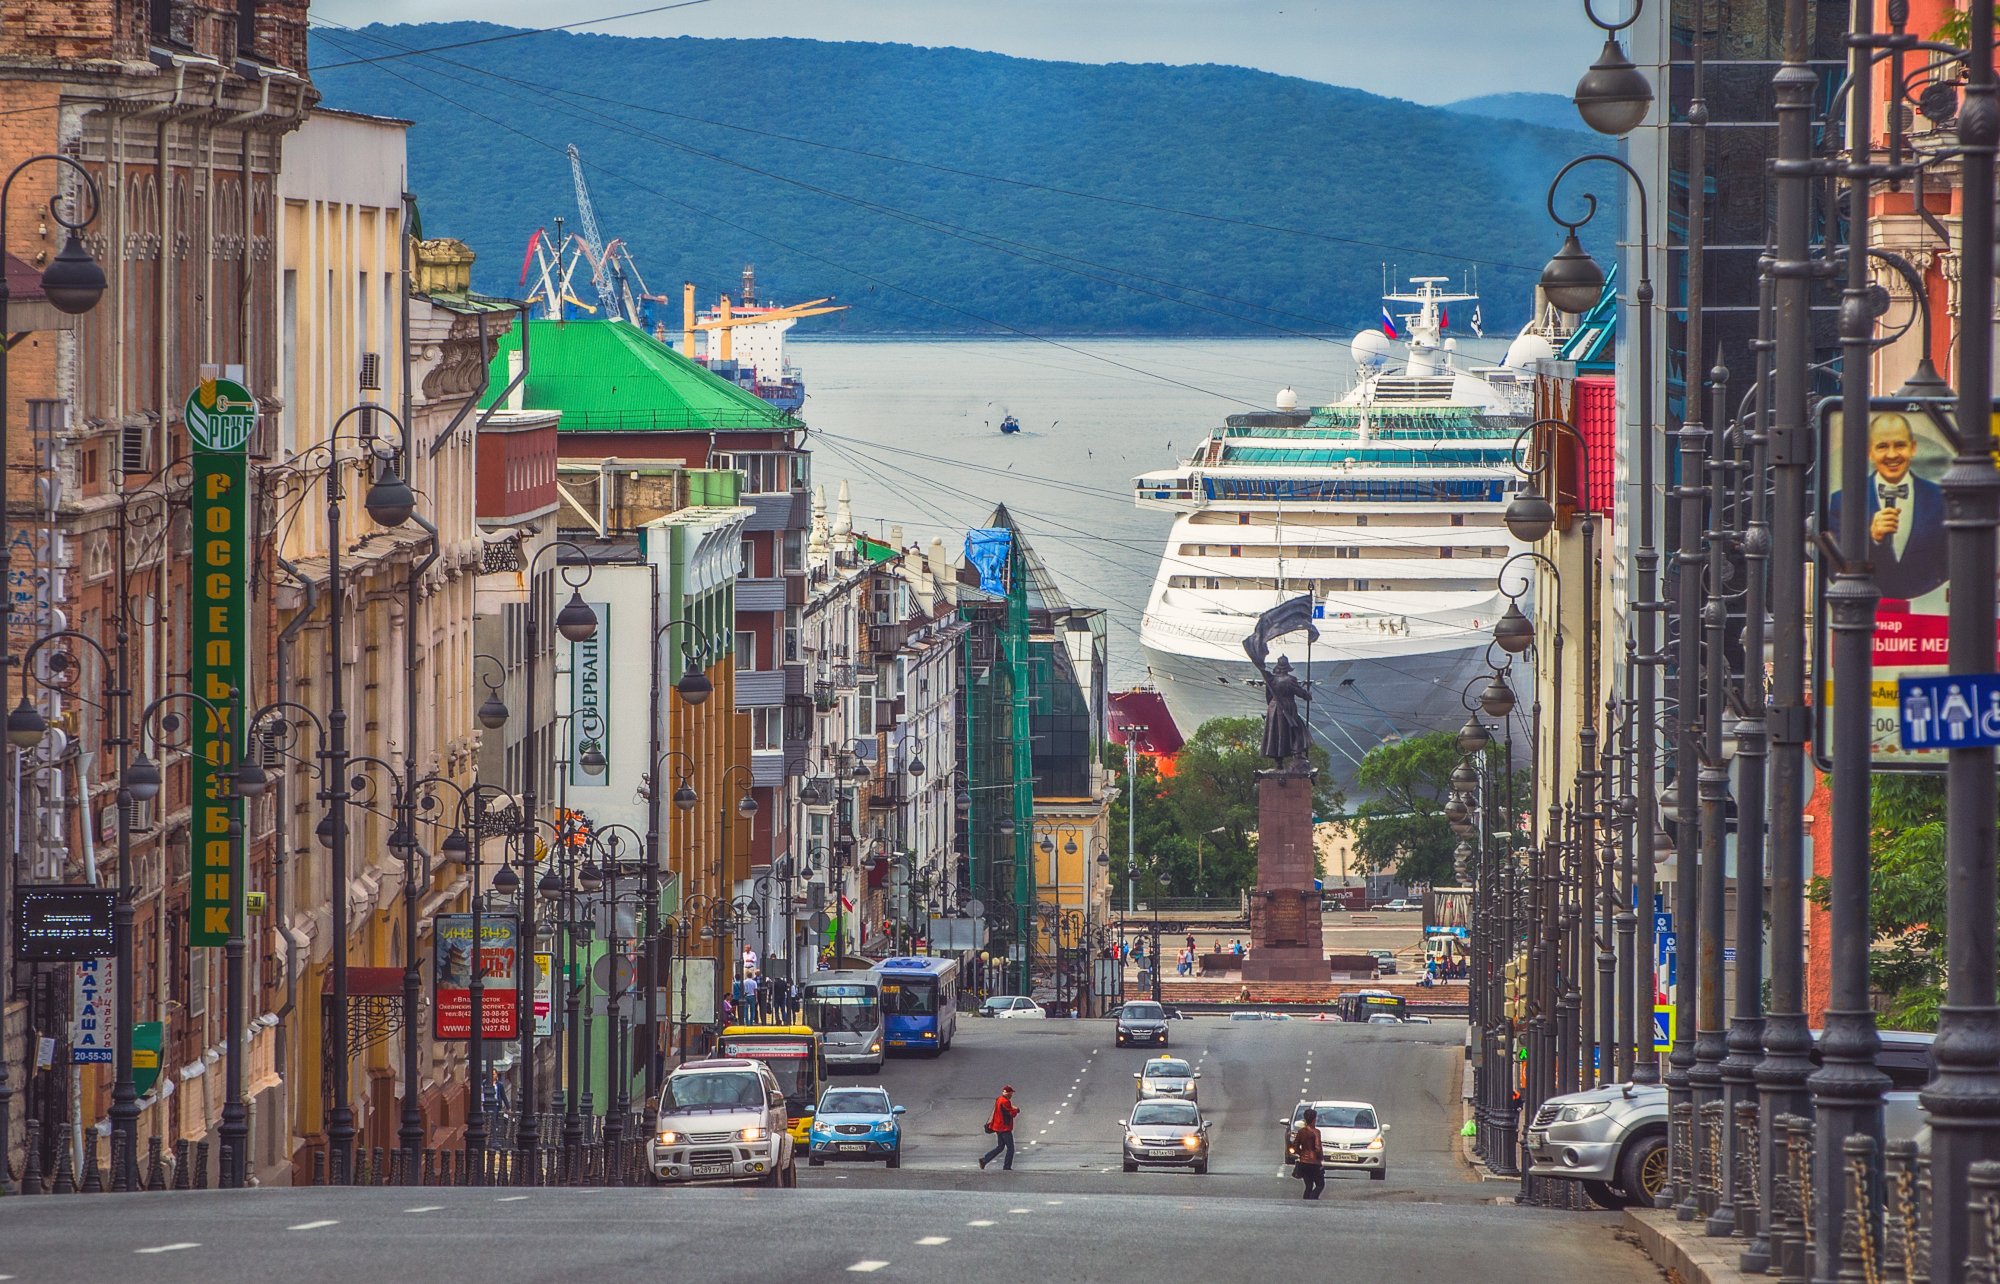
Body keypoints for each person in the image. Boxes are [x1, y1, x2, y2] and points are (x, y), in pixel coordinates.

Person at [1828, 410, 1947, 602]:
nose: (1892, 455)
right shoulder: (1841, 501)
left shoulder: (1942, 499)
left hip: (1928, 617)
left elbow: (1953, 564)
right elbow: (1834, 567)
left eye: (1900, 445)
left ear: (1913, 448)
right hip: (1868, 612)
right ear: (1870, 452)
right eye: (1882, 446)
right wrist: (1871, 537)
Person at [980, 1085, 1020, 1170]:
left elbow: (1004, 1110)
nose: (1011, 1095)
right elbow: (1010, 1114)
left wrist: (1012, 1108)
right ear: (1008, 1093)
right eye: (1011, 1093)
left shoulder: (999, 1099)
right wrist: (1016, 1110)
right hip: (1004, 1128)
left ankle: (984, 1160)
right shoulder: (1005, 1102)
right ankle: (1007, 1166)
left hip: (998, 1127)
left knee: (1000, 1147)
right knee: (1011, 1148)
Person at [1294, 1107, 1325, 1200]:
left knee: (1308, 1185)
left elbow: (1295, 1147)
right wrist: (1320, 1157)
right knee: (1320, 1184)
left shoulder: (1301, 1132)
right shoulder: (1316, 1132)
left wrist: (1302, 1154)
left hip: (1303, 1162)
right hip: (1314, 1163)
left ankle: (1306, 1201)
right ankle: (1312, 1199)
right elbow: (1318, 1147)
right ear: (1314, 1119)